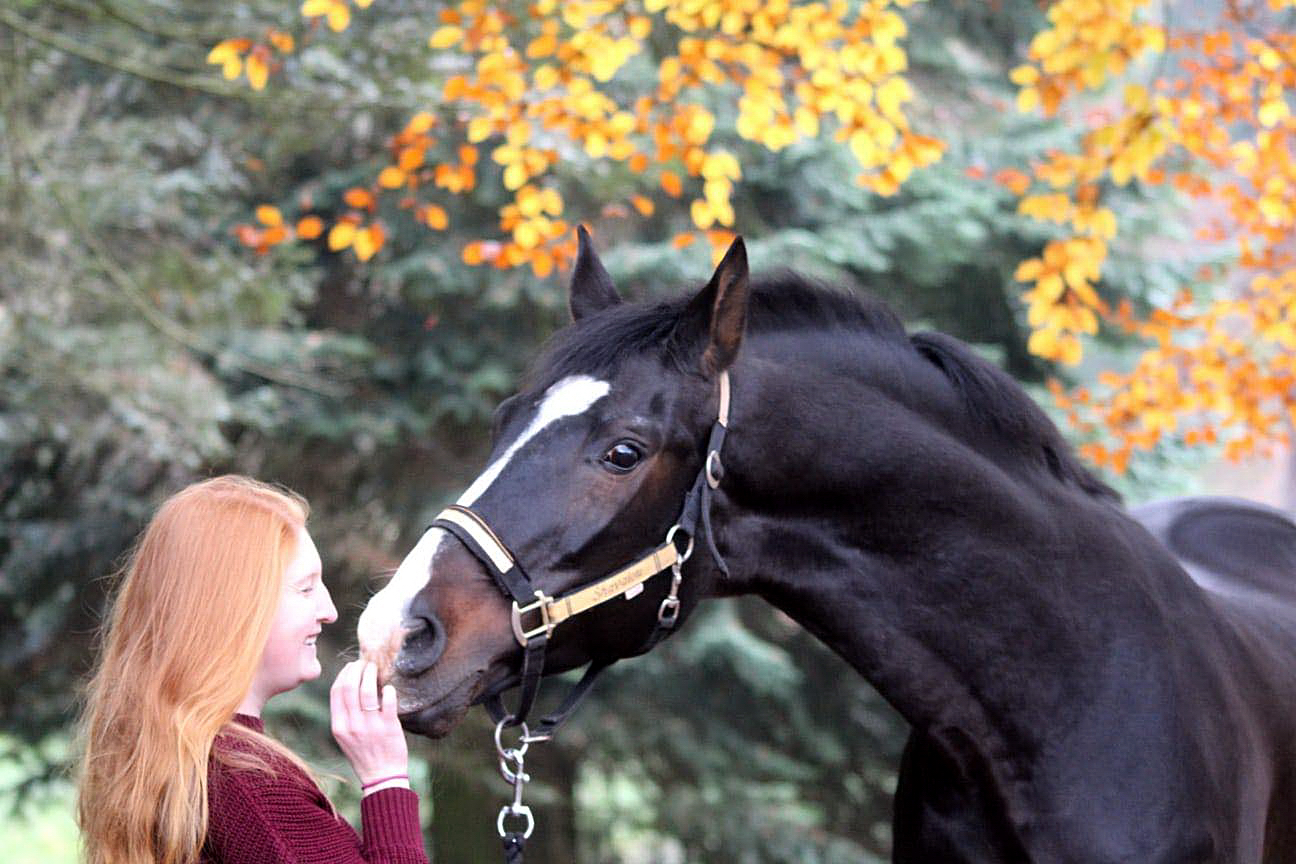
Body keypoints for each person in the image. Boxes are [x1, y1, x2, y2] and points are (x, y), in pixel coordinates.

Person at [76, 475, 429, 864]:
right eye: (306, 588)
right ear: (236, 606)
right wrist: (386, 779)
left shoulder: (177, 761)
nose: (328, 612)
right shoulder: (252, 792)